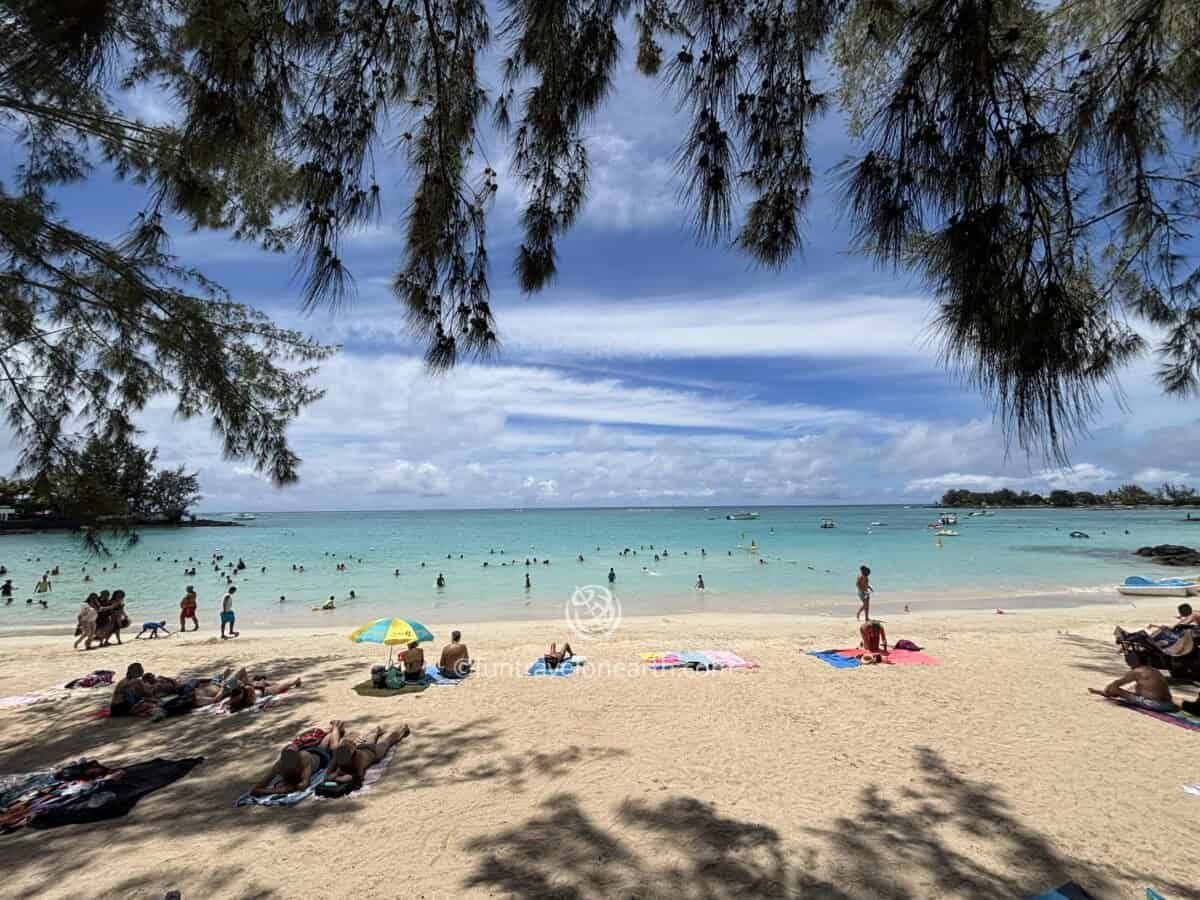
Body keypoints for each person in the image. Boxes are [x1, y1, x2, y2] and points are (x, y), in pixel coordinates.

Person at [249, 722, 345, 797]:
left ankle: (336, 726)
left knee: (333, 747)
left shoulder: (303, 758)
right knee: (325, 743)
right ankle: (334, 730)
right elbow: (255, 789)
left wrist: (287, 788)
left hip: (321, 757)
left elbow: (305, 784)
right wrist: (278, 791)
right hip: (311, 752)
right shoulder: (279, 766)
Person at [324, 722, 411, 789]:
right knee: (370, 741)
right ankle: (377, 732)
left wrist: (341, 778)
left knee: (387, 742)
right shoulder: (337, 756)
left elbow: (360, 777)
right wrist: (336, 775)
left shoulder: (358, 759)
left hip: (374, 753)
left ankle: (401, 730)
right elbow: (326, 777)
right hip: (362, 748)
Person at [1089, 652, 1175, 711]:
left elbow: (1117, 683)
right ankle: (1108, 693)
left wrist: (1107, 690)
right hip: (1169, 704)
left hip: (1156, 705)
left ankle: (1105, 693)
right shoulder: (1152, 669)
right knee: (1134, 687)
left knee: (1115, 689)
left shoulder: (1137, 671)